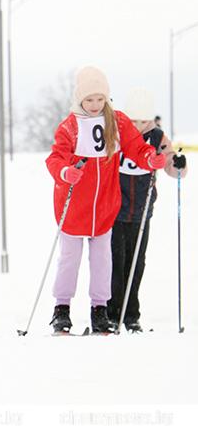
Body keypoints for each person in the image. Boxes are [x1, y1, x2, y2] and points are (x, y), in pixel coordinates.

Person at [44, 67, 165, 335]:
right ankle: (61, 309)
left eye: (100, 99)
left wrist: (149, 158)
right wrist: (66, 172)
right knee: (69, 260)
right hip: (74, 206)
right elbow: (55, 158)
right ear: (79, 99)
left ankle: (100, 309)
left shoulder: (117, 122)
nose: (95, 105)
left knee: (102, 262)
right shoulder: (70, 126)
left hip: (104, 207)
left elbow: (137, 147)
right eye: (89, 100)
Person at [108, 87, 187, 332]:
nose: (139, 125)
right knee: (115, 261)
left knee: (136, 262)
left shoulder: (157, 137)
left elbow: (172, 165)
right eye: (133, 120)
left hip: (142, 211)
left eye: (143, 121)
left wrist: (178, 165)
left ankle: (132, 313)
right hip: (116, 209)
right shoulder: (117, 134)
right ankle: (113, 311)